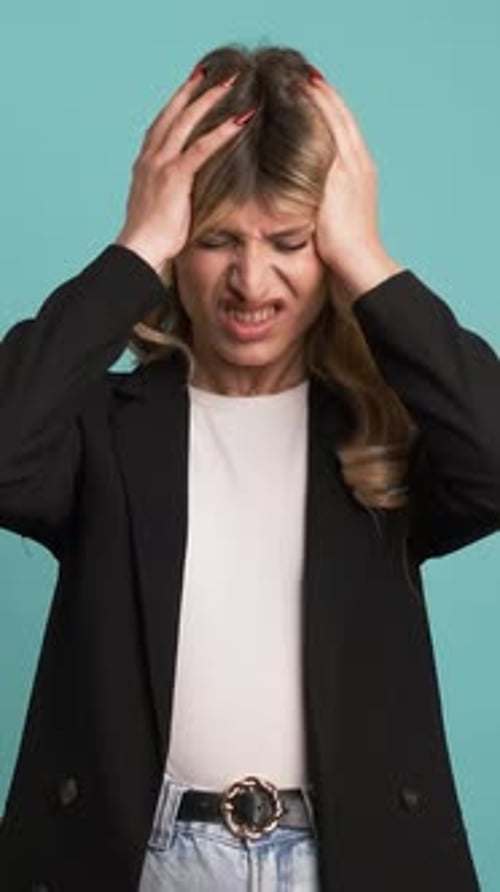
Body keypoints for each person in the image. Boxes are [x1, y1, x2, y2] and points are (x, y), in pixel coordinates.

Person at [0, 42, 499, 892]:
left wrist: (367, 257)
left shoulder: (380, 428)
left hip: (351, 861)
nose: (251, 279)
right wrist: (134, 243)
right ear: (176, 248)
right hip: (139, 859)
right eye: (216, 239)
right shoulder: (102, 429)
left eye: (290, 241)